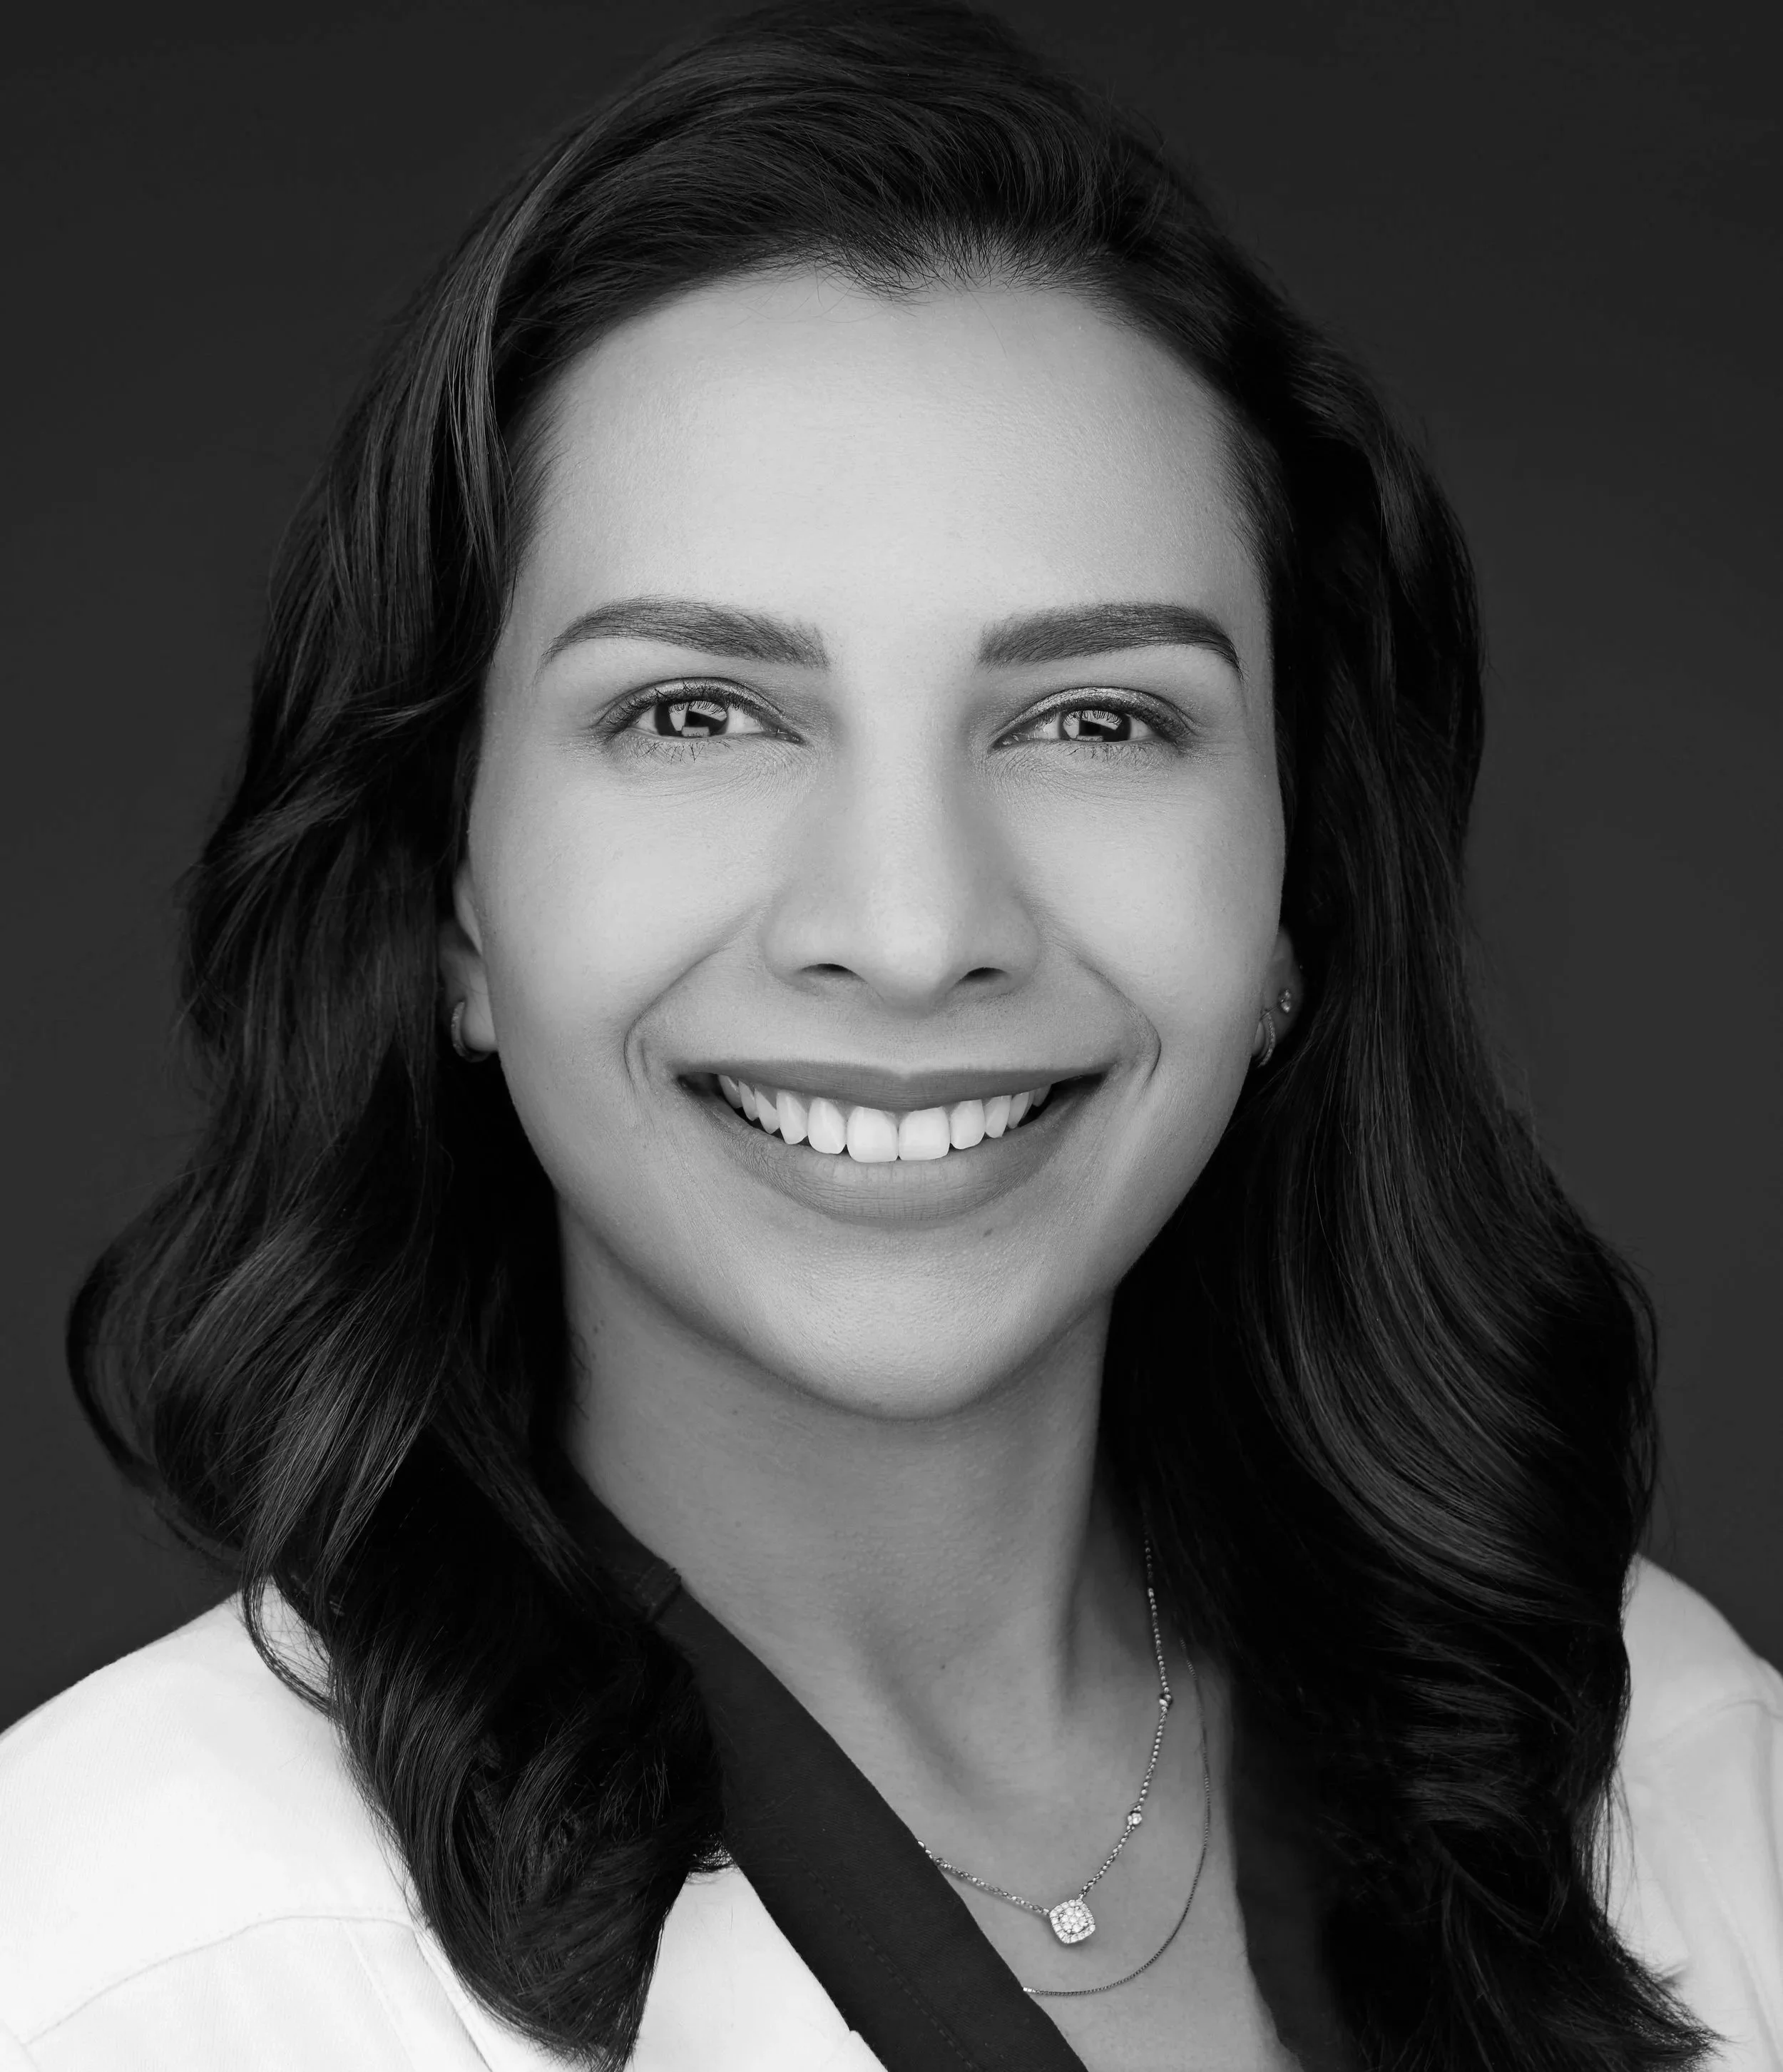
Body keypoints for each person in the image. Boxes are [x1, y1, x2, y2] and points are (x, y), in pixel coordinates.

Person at [1, 4, 1777, 2068]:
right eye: (695, 713)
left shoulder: (1697, 1795)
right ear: (454, 906)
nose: (913, 931)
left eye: (1096, 719)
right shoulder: (114, 1964)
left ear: (1296, 898)